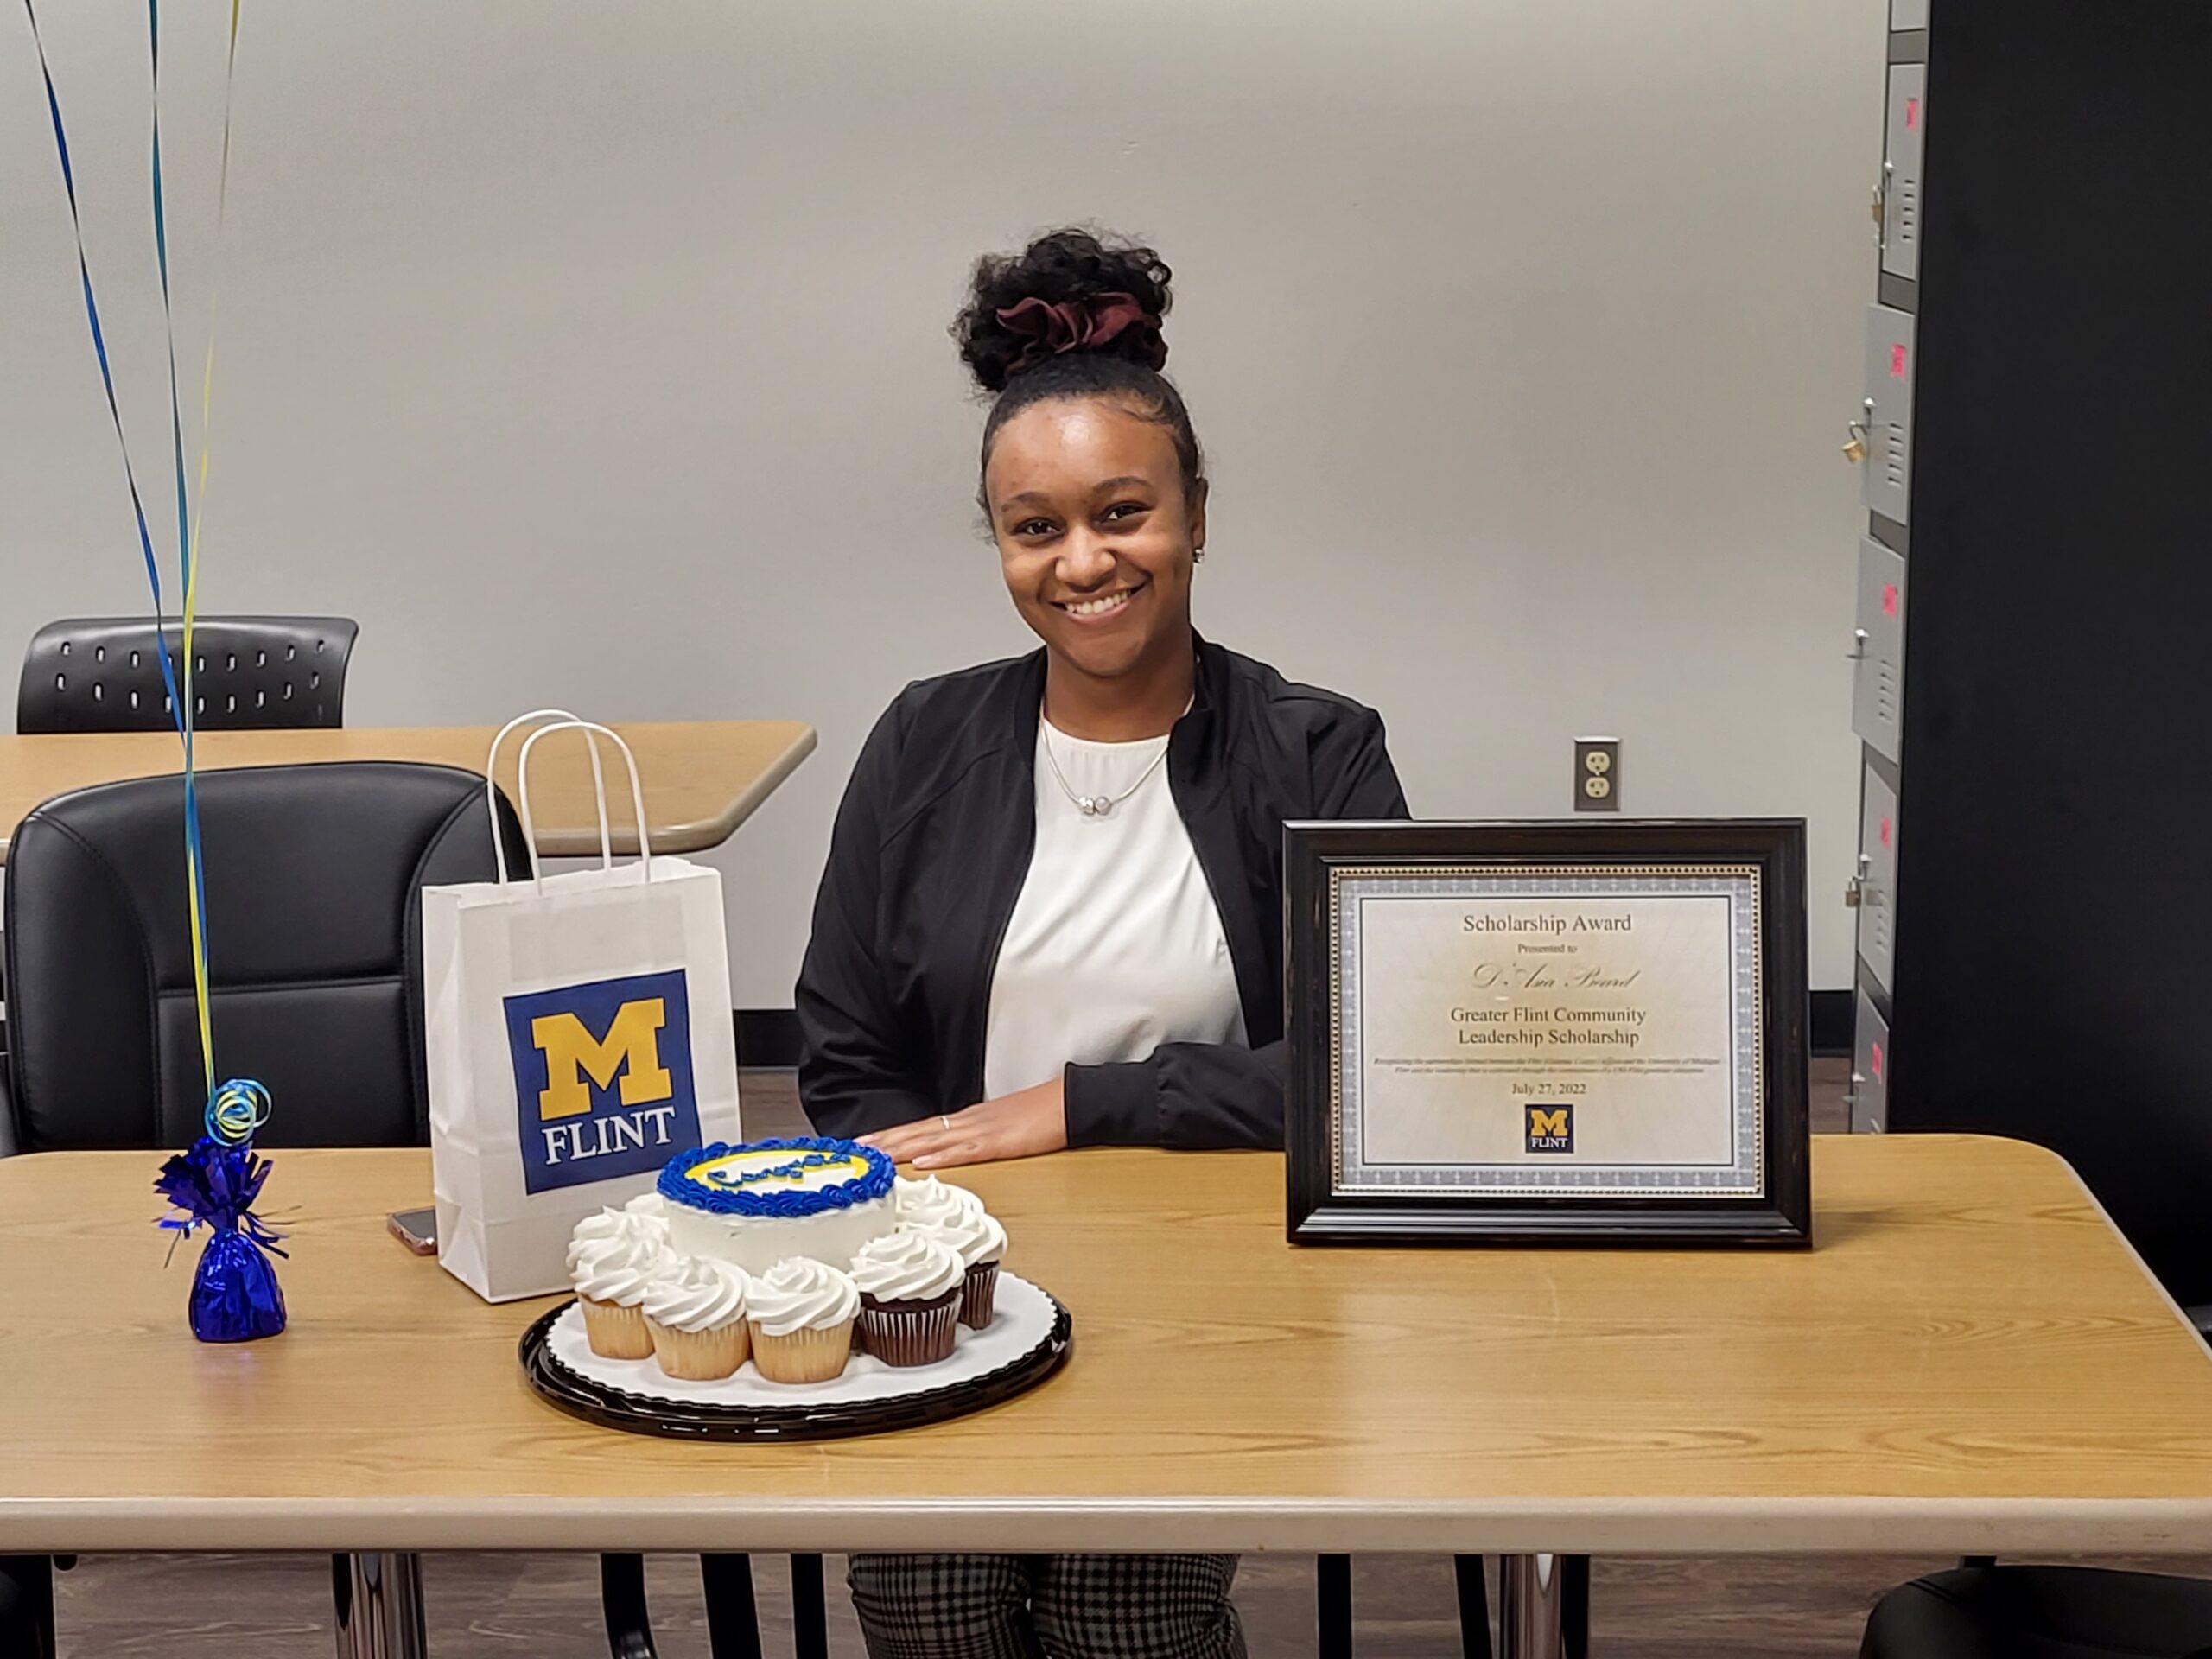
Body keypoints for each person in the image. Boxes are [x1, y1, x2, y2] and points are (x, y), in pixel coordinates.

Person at [796, 227, 1408, 1659]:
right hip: (949, 1283)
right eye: (1036, 528)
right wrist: (930, 1258)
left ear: (1196, 512)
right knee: (928, 1610)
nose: (1084, 563)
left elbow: (1370, 1072)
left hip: (1213, 1287)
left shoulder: (1319, 748)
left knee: (1130, 1618)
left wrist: (1087, 1105)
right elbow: (843, 1050)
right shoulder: (923, 739)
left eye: (1122, 512)